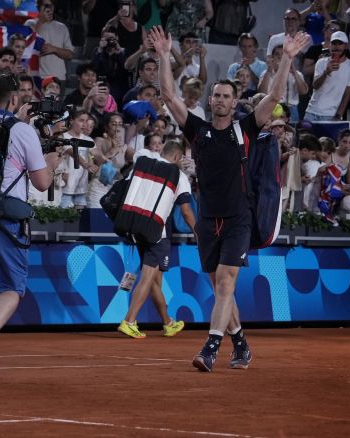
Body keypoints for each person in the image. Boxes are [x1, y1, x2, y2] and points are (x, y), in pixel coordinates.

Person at [149, 25, 311, 372]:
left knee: (225, 281)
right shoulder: (198, 130)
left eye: (226, 96)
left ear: (234, 102)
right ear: (210, 100)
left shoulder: (246, 128)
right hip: (208, 220)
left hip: (239, 218)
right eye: (216, 95)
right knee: (221, 288)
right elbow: (167, 94)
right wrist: (164, 55)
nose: (220, 100)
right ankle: (241, 344)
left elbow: (276, 95)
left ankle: (210, 347)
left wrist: (288, 60)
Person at [0, 73, 60, 381]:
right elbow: (43, 183)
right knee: (13, 288)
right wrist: (52, 151)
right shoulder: (22, 131)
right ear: (14, 99)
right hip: (4, 219)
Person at [118, 139, 196, 339]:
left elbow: (135, 154)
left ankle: (168, 322)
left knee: (154, 281)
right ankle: (129, 321)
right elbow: (186, 211)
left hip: (137, 228)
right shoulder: (179, 176)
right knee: (148, 277)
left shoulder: (144, 160)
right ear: (178, 157)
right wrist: (198, 233)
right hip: (157, 235)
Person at [303, 31, 350, 121]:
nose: (337, 47)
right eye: (334, 43)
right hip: (311, 112)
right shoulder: (321, 62)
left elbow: (347, 95)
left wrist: (338, 116)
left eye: (340, 43)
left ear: (346, 46)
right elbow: (315, 86)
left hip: (330, 115)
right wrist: (326, 72)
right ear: (330, 45)